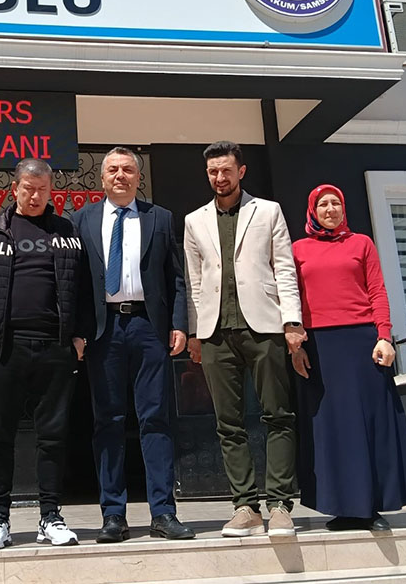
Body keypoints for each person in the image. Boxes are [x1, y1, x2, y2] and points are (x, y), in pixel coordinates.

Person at [73, 147, 194, 543]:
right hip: (103, 329)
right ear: (102, 177)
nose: (120, 175)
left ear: (138, 177)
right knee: (107, 420)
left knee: (155, 418)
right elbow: (74, 282)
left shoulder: (159, 218)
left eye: (127, 169)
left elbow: (175, 277)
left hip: (148, 326)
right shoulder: (82, 219)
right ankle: (113, 514)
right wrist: (77, 329)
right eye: (113, 169)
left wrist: (179, 324)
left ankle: (163, 512)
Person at [183, 141, 303, 538]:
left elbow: (284, 267)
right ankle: (245, 507)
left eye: (226, 170)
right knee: (228, 423)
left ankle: (280, 505)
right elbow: (194, 279)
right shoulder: (194, 220)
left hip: (264, 326)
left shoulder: (267, 211)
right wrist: (196, 332)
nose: (220, 177)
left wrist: (292, 321)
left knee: (277, 415)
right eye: (213, 171)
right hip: (215, 332)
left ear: (241, 171)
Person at [291, 184, 406, 531]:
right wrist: (295, 347)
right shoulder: (298, 249)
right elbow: (291, 299)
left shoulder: (361, 243)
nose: (330, 209)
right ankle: (343, 507)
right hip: (319, 346)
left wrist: (384, 336)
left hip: (362, 342)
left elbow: (377, 290)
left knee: (367, 424)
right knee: (332, 428)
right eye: (323, 204)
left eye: (336, 203)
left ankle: (370, 507)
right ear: (313, 211)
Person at [0, 158, 86, 550]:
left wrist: (80, 335)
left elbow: (83, 285)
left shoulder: (66, 230)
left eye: (42, 190)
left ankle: (50, 516)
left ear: (51, 191)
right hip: (3, 347)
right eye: (28, 189)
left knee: (52, 434)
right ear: (14, 188)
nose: (35, 196)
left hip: (55, 346)